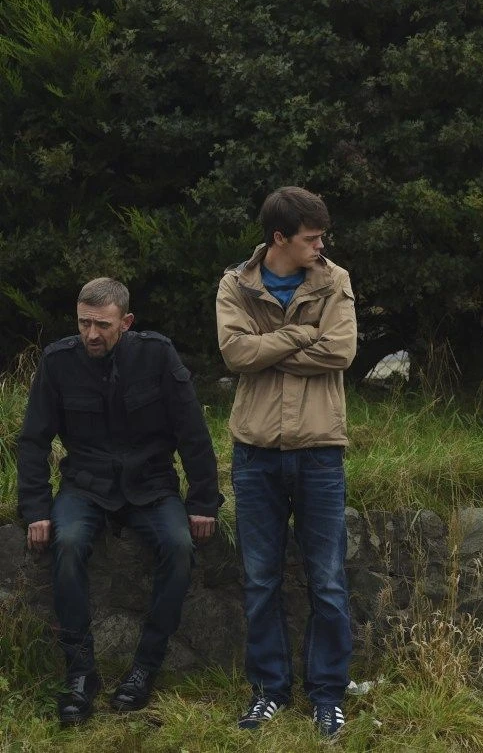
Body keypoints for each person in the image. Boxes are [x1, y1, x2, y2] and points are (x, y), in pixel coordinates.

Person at [16, 278, 221, 726]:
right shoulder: (58, 362)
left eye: (102, 325)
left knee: (180, 546)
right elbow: (32, 442)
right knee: (66, 543)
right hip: (84, 486)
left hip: (151, 486)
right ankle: (80, 674)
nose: (92, 334)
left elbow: (192, 431)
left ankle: (144, 667)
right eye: (84, 322)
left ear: (125, 322)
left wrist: (203, 500)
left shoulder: (157, 355)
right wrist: (35, 511)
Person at [216, 186, 357, 738]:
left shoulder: (334, 279)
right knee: (259, 579)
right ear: (279, 238)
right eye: (311, 238)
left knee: (326, 580)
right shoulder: (235, 284)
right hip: (254, 454)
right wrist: (301, 334)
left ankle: (327, 694)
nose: (321, 246)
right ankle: (268, 691)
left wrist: (270, 345)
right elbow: (235, 354)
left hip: (320, 451)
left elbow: (340, 351)